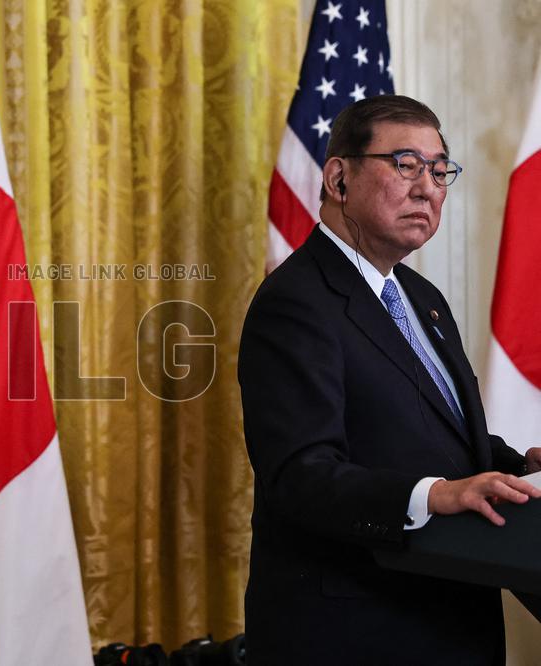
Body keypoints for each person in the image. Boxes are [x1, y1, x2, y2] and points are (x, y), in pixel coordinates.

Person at [238, 95, 541, 665]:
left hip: (452, 620)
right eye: (405, 163)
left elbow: (440, 436)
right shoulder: (296, 303)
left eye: (439, 169)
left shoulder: (421, 298)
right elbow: (300, 475)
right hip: (355, 630)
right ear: (338, 177)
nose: (427, 187)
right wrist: (434, 496)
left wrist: (519, 471)